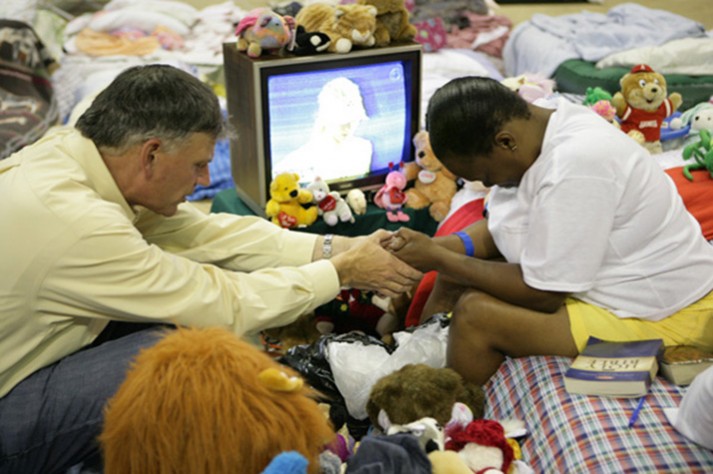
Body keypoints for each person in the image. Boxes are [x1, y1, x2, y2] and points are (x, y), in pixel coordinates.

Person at [0, 64, 422, 473]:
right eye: (198, 164)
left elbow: (205, 234)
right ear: (151, 154)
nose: (205, 181)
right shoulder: (78, 224)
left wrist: (335, 247)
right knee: (178, 360)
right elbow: (222, 303)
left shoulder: (73, 154)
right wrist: (343, 272)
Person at [388, 76, 713, 386]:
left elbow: (544, 294)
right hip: (616, 287)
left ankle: (452, 419)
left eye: (486, 175)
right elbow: (505, 228)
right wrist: (433, 250)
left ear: (505, 142)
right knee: (453, 276)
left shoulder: (575, 166)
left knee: (476, 315)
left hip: (668, 313)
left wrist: (442, 259)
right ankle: (417, 362)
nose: (487, 186)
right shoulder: (542, 122)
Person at [273, 77, 373, 183]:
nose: (348, 127)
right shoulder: (292, 164)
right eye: (342, 122)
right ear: (326, 118)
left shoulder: (363, 149)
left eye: (353, 121)